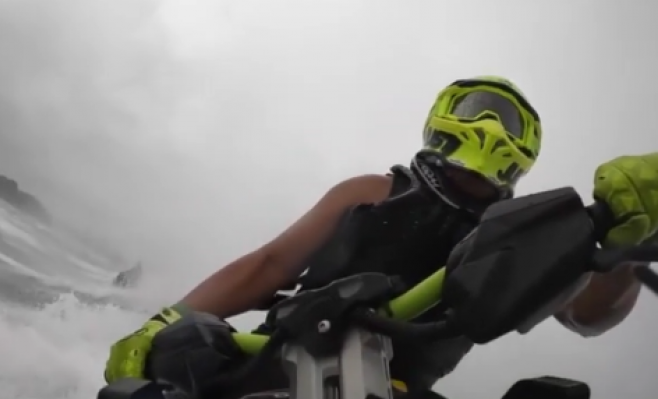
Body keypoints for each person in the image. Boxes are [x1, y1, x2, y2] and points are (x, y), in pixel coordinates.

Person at [103, 75, 658, 395]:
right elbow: (270, 265)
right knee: (181, 357)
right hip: (272, 363)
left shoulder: (525, 236)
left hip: (398, 391)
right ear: (444, 116)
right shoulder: (372, 190)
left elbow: (587, 314)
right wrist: (162, 321)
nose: (491, 125)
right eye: (478, 109)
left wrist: (627, 246)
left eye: (507, 120)